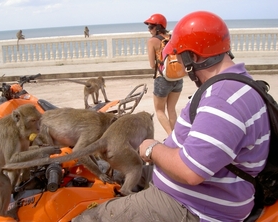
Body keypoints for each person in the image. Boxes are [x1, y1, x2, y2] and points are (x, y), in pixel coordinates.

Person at [72, 11, 270, 221]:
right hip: (201, 192)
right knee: (114, 175)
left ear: (193, 57)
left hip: (194, 207)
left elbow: (189, 172)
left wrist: (152, 147)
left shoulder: (222, 99)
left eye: (181, 56)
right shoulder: (238, 84)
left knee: (88, 218)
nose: (181, 65)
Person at [144, 13, 183, 135]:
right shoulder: (173, 37)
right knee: (171, 109)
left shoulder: (152, 41)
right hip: (178, 77)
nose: (149, 30)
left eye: (151, 27)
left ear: (158, 27)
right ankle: (176, 137)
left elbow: (152, 65)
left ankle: (171, 137)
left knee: (159, 110)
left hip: (163, 79)